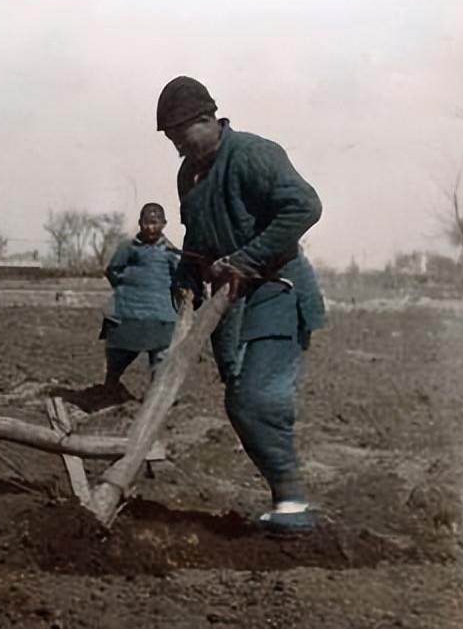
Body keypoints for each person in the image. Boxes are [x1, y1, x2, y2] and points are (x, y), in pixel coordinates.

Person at [156, 76, 325, 534]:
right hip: (229, 298)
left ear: (210, 119)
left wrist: (248, 257)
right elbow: (198, 232)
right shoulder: (188, 173)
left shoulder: (252, 153)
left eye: (182, 134)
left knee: (254, 399)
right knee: (238, 396)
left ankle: (293, 506)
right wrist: (188, 269)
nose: (178, 146)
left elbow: (305, 206)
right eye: (171, 140)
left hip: (277, 286)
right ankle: (285, 498)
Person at [98, 203, 179, 394]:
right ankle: (110, 389)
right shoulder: (127, 248)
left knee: (160, 358)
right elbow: (112, 271)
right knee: (117, 355)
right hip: (127, 312)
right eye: (146, 223)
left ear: (164, 224)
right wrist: (128, 288)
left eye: (154, 223)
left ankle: (155, 398)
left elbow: (179, 279)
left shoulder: (171, 253)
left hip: (161, 315)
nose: (150, 228)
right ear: (139, 223)